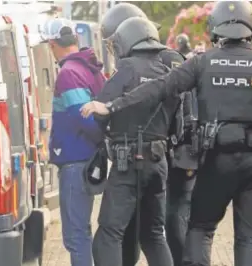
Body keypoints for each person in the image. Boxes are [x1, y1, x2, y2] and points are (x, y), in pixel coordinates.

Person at [80, 2, 252, 266]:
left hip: (215, 163)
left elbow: (160, 88)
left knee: (200, 229)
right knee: (248, 238)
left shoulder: (203, 63)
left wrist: (112, 105)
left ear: (215, 28)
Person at [100, 3, 197, 266]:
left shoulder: (132, 68)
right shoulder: (167, 67)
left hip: (139, 162)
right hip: (159, 160)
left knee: (111, 233)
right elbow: (179, 117)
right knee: (152, 234)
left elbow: (101, 110)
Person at [40, 17, 105, 266]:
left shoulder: (68, 73)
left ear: (52, 44)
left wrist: (98, 138)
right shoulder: (91, 69)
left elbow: (85, 117)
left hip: (75, 162)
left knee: (75, 236)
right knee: (82, 230)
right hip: (88, 160)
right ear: (76, 40)